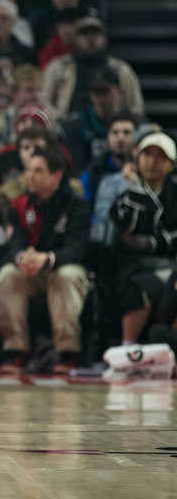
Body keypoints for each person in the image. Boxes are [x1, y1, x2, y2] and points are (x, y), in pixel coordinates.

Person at [0, 147, 90, 375]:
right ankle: (16, 351)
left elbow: (77, 250)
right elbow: (13, 244)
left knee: (65, 276)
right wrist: (21, 258)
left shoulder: (77, 205)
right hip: (32, 269)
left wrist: (47, 259)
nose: (30, 176)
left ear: (56, 175)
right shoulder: (19, 205)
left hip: (66, 266)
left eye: (38, 171)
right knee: (8, 275)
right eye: (28, 170)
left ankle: (68, 352)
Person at [108, 133, 177, 346]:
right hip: (131, 265)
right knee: (137, 286)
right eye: (147, 155)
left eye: (160, 157)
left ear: (171, 165)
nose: (152, 162)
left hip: (168, 262)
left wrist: (153, 243)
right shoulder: (128, 194)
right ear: (138, 159)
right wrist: (137, 188)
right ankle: (128, 346)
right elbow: (123, 227)